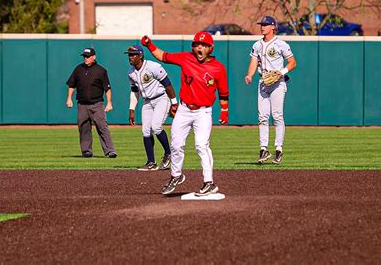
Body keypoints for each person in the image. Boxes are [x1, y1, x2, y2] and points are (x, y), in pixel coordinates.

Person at [141, 32, 229, 196]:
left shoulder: (218, 68)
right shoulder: (185, 58)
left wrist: (224, 110)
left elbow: (223, 93)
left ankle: (209, 182)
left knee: (201, 146)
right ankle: (176, 175)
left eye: (203, 45)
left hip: (203, 111)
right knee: (176, 145)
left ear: (210, 48)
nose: (199, 47)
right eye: (196, 45)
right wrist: (149, 45)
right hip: (184, 109)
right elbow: (163, 56)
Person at [245, 16, 297, 165]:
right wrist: (249, 75)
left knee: (277, 116)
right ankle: (263, 149)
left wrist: (282, 72)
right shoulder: (257, 45)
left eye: (266, 24)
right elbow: (254, 62)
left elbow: (293, 62)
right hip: (263, 81)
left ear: (273, 27)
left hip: (277, 82)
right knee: (262, 117)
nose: (263, 27)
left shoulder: (281, 44)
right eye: (262, 24)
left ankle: (279, 149)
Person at [126, 45, 178, 171]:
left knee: (156, 127)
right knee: (145, 131)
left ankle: (169, 154)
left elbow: (168, 84)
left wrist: (174, 103)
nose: (130, 57)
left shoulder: (153, 66)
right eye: (129, 55)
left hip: (161, 98)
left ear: (140, 55)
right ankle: (151, 162)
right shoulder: (131, 72)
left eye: (133, 54)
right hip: (147, 101)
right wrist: (131, 109)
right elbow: (134, 91)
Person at [66, 47, 117, 158]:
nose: (86, 58)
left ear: (94, 57)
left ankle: (110, 151)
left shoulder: (101, 70)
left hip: (97, 104)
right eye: (84, 56)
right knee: (83, 127)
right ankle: (86, 151)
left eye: (88, 56)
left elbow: (107, 88)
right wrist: (69, 98)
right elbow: (71, 85)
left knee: (102, 127)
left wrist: (109, 103)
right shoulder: (78, 69)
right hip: (82, 104)